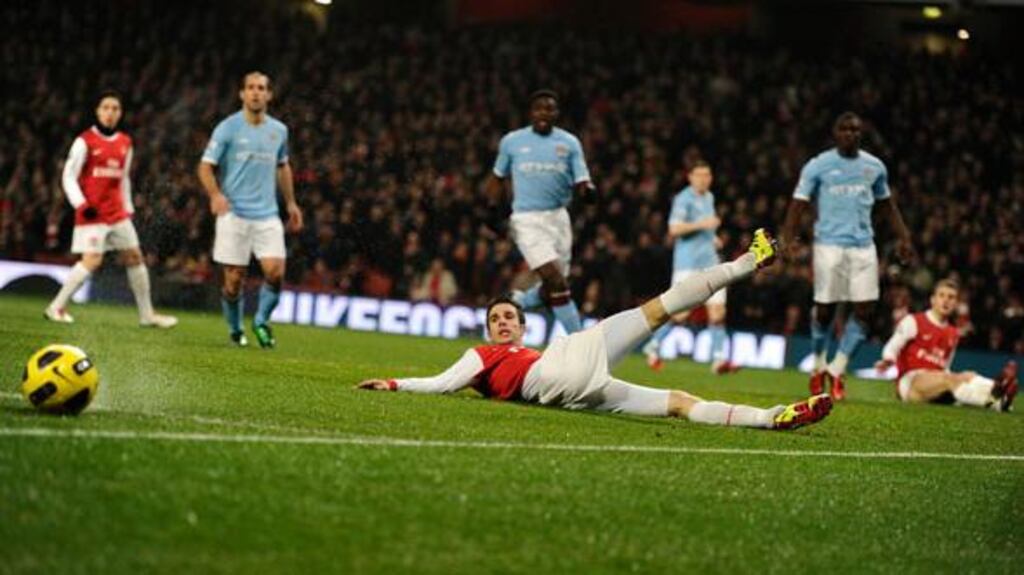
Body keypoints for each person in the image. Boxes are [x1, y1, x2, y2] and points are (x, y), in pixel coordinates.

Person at [358, 230, 833, 431]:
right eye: (495, 319)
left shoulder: (519, 354)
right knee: (656, 310)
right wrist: (395, 384)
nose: (502, 322)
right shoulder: (481, 355)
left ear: (522, 327)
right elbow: (442, 384)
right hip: (555, 371)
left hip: (567, 388)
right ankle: (750, 260)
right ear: (488, 330)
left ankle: (773, 418)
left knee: (677, 403)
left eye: (508, 317)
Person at [780, 111, 914, 401]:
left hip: (864, 246)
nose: (850, 134)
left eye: (855, 130)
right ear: (835, 133)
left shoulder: (874, 167)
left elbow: (888, 205)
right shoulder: (819, 165)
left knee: (865, 309)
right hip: (829, 245)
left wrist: (904, 237)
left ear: (861, 134)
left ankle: (837, 370)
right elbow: (798, 203)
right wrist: (787, 237)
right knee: (825, 311)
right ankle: (817, 365)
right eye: (845, 129)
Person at [45, 90, 177, 328]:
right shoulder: (85, 141)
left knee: (135, 257)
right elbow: (68, 176)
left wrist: (128, 208)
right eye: (105, 107)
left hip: (117, 214)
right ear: (97, 111)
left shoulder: (125, 142)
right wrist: (81, 205)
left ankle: (147, 315)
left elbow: (123, 179)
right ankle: (56, 307)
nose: (110, 112)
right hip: (92, 213)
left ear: (120, 113)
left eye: (115, 108)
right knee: (92, 260)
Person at [198, 71, 303, 348]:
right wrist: (215, 195)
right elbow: (205, 166)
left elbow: (283, 165)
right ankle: (235, 329)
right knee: (233, 281)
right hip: (233, 214)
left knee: (276, 272)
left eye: (262, 88)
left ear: (269, 95)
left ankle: (260, 321)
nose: (256, 92)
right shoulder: (227, 128)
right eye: (251, 88)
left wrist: (291, 202)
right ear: (242, 94)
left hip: (267, 214)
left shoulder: (279, 131)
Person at [485, 89, 591, 335]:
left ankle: (519, 300)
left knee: (553, 288)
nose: (544, 113)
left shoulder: (569, 143)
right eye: (539, 108)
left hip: (559, 218)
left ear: (556, 113)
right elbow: (497, 178)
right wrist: (491, 209)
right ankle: (579, 341)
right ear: (531, 113)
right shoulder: (512, 142)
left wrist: (588, 191)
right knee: (556, 280)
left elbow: (582, 180)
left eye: (549, 109)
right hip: (527, 219)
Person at [642, 161, 738, 374]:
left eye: (707, 175)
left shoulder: (709, 197)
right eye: (700, 175)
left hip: (711, 263)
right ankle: (653, 344)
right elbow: (674, 229)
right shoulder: (683, 199)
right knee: (679, 315)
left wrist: (713, 239)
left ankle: (719, 360)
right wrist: (703, 225)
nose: (704, 179)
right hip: (687, 265)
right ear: (690, 177)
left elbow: (708, 228)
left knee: (718, 312)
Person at [875, 279, 1018, 411]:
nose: (946, 300)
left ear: (956, 303)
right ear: (933, 300)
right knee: (948, 379)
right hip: (910, 382)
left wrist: (963, 377)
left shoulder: (953, 333)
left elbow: (945, 367)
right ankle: (996, 395)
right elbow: (893, 345)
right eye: (942, 295)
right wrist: (888, 359)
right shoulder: (914, 321)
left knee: (966, 375)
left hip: (937, 381)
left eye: (951, 297)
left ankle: (1000, 392)